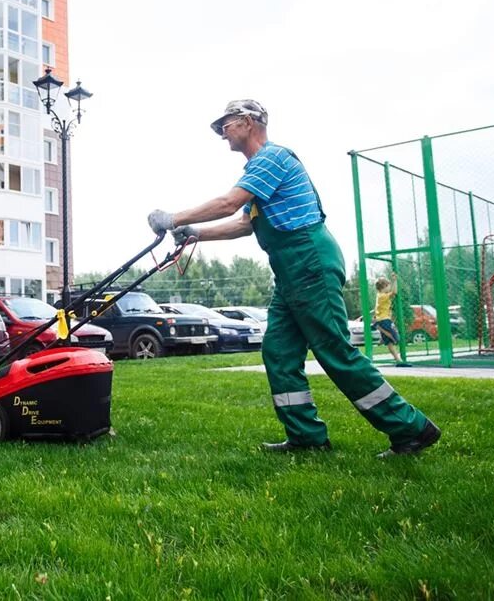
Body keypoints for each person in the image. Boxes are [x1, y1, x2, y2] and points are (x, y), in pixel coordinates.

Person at [147, 99, 440, 458]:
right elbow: (243, 222)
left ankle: (410, 427)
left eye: (227, 123)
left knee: (333, 348)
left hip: (308, 258)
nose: (222, 131)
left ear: (250, 121)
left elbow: (228, 203)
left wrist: (173, 218)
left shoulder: (271, 159)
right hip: (290, 269)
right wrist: (195, 233)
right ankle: (306, 437)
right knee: (279, 352)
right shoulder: (259, 172)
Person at [371, 273, 404, 366]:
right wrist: (394, 280)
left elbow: (377, 308)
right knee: (396, 338)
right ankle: (379, 328)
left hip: (382, 319)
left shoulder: (379, 295)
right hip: (384, 320)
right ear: (384, 286)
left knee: (389, 343)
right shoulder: (382, 296)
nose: (389, 288)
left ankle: (398, 360)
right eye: (388, 286)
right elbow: (394, 292)